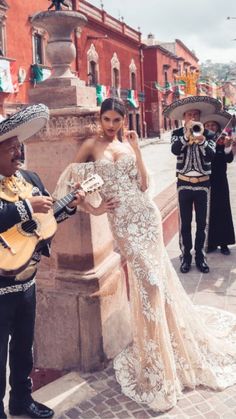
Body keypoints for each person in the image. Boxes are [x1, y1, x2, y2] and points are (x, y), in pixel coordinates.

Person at [54, 97, 236, 413]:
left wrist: (136, 150)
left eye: (116, 120)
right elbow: (68, 187)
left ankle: (166, 346)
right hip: (124, 224)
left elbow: (144, 183)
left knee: (159, 284)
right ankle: (154, 357)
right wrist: (94, 207)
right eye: (106, 119)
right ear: (100, 118)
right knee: (149, 284)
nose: (111, 125)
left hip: (146, 217)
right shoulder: (90, 146)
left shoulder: (126, 144)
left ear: (124, 121)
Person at [0, 104, 84, 419]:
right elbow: (23, 212)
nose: (17, 152)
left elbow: (43, 222)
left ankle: (21, 400)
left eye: (18, 146)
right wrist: (25, 207)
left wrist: (69, 206)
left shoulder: (30, 178)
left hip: (27, 283)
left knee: (24, 350)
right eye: (9, 147)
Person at [163, 96, 222, 274]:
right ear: (185, 117)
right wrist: (187, 137)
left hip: (203, 185)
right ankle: (185, 257)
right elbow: (174, 150)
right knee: (185, 224)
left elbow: (211, 155)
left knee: (202, 224)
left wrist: (202, 139)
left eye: (196, 115)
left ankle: (200, 256)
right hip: (184, 184)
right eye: (190, 115)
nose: (193, 118)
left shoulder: (209, 134)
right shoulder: (177, 134)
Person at [202, 112, 235, 255]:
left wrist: (228, 147)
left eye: (213, 125)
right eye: (207, 125)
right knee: (209, 213)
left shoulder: (222, 141)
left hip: (221, 181)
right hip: (205, 180)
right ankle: (211, 243)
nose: (210, 127)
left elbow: (228, 159)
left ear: (217, 127)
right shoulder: (201, 141)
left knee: (223, 210)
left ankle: (224, 243)